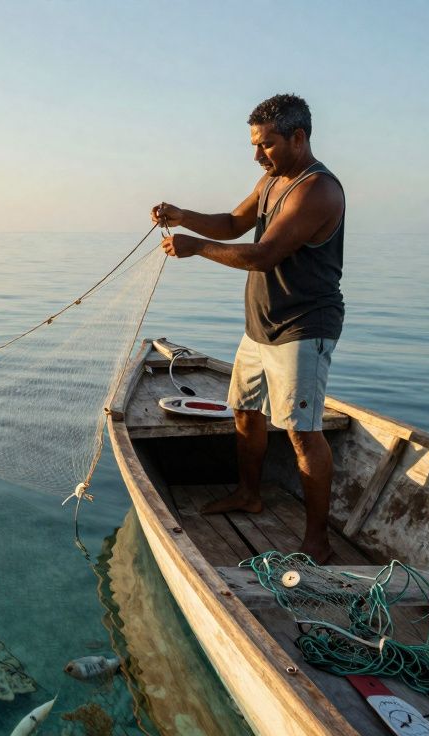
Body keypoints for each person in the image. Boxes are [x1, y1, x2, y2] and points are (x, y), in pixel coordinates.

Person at [152, 93, 345, 563]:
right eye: (254, 145)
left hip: (302, 326)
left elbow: (262, 255)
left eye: (268, 144)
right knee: (243, 410)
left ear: (299, 138)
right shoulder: (271, 181)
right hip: (260, 325)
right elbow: (234, 223)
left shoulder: (317, 189)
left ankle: (317, 540)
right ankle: (249, 494)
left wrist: (194, 247)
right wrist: (183, 216)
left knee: (303, 433)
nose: (258, 154)